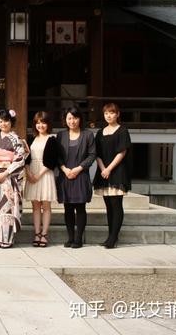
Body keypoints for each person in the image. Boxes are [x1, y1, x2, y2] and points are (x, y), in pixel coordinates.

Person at [0, 109, 28, 248]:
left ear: (11, 122)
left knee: (7, 208)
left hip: (8, 179)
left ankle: (7, 238)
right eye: (0, 121)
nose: (3, 124)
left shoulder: (16, 140)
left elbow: (20, 160)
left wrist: (5, 173)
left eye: (6, 121)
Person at [56, 106, 96, 249]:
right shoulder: (61, 135)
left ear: (80, 119)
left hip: (80, 175)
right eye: (69, 118)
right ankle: (70, 237)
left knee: (80, 207)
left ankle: (78, 239)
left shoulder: (88, 135)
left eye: (75, 118)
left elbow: (92, 155)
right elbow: (57, 156)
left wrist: (78, 168)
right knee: (67, 208)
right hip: (65, 175)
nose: (72, 121)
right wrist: (64, 169)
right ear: (65, 120)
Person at [93, 103, 132, 249]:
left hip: (117, 171)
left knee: (116, 204)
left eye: (111, 113)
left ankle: (114, 237)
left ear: (118, 114)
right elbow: (96, 153)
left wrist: (109, 168)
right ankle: (110, 236)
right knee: (108, 205)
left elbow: (122, 152)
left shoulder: (122, 130)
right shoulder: (100, 132)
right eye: (106, 113)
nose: (109, 116)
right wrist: (103, 168)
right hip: (103, 172)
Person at [24, 111, 58, 248]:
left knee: (46, 205)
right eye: (38, 123)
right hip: (31, 172)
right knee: (35, 206)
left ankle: (44, 234)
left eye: (43, 122)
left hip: (45, 173)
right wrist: (28, 173)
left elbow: (52, 161)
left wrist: (38, 175)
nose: (40, 125)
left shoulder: (52, 139)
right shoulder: (31, 139)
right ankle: (37, 233)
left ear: (48, 124)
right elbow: (25, 159)